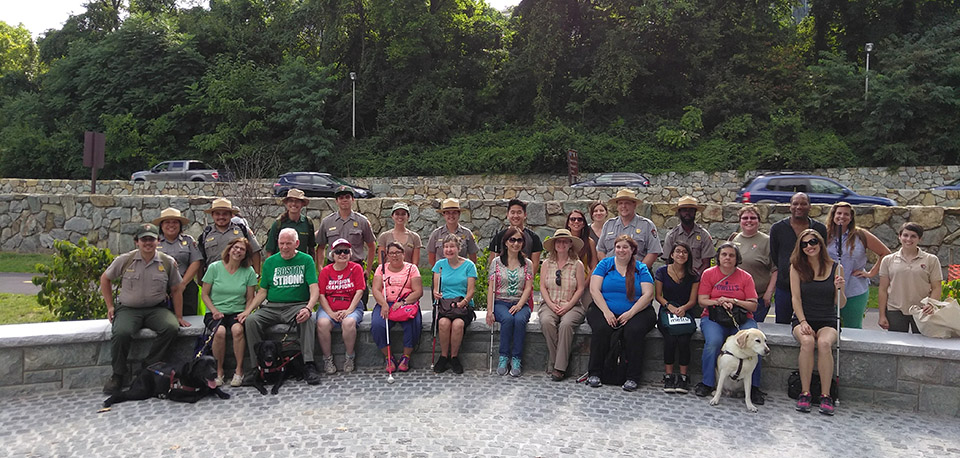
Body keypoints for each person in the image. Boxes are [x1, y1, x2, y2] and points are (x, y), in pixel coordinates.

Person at [99, 223, 188, 394]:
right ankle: (118, 375)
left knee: (170, 328)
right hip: (129, 309)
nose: (148, 243)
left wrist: (178, 316)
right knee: (121, 333)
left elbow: (176, 289)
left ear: (158, 241)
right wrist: (110, 306)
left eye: (152, 239)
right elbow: (105, 279)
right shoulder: (125, 260)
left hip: (157, 309)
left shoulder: (167, 262)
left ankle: (148, 367)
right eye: (144, 239)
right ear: (136, 242)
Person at [241, 228, 322, 385]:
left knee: (307, 320)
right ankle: (256, 367)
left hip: (296, 305)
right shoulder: (270, 262)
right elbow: (263, 291)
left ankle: (308, 364)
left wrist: (308, 307)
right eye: (281, 243)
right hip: (272, 307)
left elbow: (314, 287)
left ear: (297, 244)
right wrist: (248, 311)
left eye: (288, 243)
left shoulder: (306, 260)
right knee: (251, 321)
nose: (284, 247)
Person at [694, 243, 765, 406]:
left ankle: (754, 387)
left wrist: (734, 301)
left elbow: (753, 305)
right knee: (713, 343)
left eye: (731, 255)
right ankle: (707, 382)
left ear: (737, 258)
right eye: (724, 254)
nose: (727, 258)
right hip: (714, 317)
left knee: (755, 344)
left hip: (741, 318)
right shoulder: (709, 274)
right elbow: (702, 301)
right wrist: (719, 301)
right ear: (718, 257)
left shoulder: (745, 277)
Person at [584, 235, 657, 391]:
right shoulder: (605, 264)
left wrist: (630, 313)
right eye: (618, 247)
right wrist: (607, 312)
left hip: (637, 310)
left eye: (625, 247)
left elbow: (648, 294)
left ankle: (632, 376)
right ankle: (595, 372)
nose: (621, 250)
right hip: (604, 307)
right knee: (601, 328)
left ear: (632, 250)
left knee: (634, 331)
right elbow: (594, 289)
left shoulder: (641, 268)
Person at [790, 229, 846, 415]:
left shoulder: (836, 267)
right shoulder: (796, 267)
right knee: (807, 342)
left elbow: (841, 304)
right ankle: (805, 392)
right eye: (804, 244)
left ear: (820, 243)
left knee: (823, 343)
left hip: (827, 318)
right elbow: (796, 299)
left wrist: (841, 289)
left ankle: (825, 394)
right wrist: (803, 321)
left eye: (813, 242)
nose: (809, 246)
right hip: (803, 317)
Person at [200, 237, 258, 387]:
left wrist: (246, 313)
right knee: (219, 332)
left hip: (237, 311)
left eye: (242, 250)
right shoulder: (214, 268)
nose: (238, 251)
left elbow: (250, 297)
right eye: (236, 247)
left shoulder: (249, 271)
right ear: (229, 248)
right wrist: (214, 310)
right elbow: (204, 294)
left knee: (237, 330)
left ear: (246, 254)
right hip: (215, 312)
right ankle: (218, 371)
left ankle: (239, 371)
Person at [824, 202, 891, 329]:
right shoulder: (824, 234)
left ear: (851, 218)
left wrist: (871, 273)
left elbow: (885, 253)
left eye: (846, 214)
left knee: (853, 327)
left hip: (854, 289)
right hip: (828, 288)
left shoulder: (860, 235)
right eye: (839, 213)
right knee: (828, 327)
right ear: (833, 215)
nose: (842, 217)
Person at [769, 192, 827, 323]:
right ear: (790, 206)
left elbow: (822, 253)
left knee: (810, 325)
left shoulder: (819, 229)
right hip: (785, 287)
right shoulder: (778, 228)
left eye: (803, 204)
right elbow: (775, 254)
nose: (799, 207)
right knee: (782, 325)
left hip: (811, 288)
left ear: (810, 206)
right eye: (795, 203)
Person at [486, 226, 535, 377]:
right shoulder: (496, 262)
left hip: (521, 303)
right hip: (501, 301)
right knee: (507, 319)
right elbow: (491, 287)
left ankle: (516, 358)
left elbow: (528, 288)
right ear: (506, 242)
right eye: (512, 240)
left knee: (519, 320)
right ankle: (503, 356)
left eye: (519, 240)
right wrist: (489, 310)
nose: (515, 243)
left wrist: (520, 304)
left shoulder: (527, 263)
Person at [316, 185, 376, 305]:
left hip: (355, 268)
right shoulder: (327, 222)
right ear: (336, 201)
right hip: (333, 269)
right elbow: (321, 247)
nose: (344, 200)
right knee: (332, 304)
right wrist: (321, 268)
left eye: (347, 197)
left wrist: (368, 270)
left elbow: (371, 245)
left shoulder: (362, 221)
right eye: (341, 197)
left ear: (353, 199)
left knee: (359, 303)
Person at [877, 222, 943, 333]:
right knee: (897, 346)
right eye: (905, 235)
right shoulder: (888, 260)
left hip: (921, 310)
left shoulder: (931, 260)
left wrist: (931, 304)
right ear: (899, 237)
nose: (908, 239)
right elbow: (883, 289)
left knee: (922, 345)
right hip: (895, 310)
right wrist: (882, 315)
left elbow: (936, 287)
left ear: (919, 239)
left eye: (913, 236)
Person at [539, 229, 586, 381]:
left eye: (565, 241)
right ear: (554, 244)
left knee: (566, 325)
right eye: (558, 241)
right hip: (550, 303)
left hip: (572, 304)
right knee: (547, 322)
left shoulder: (577, 264)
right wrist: (551, 305)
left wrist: (568, 306)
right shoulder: (547, 263)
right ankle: (562, 361)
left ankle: (558, 368)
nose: (561, 244)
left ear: (570, 244)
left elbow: (580, 288)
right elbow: (542, 287)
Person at [371, 241, 424, 372]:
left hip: (406, 302)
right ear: (387, 255)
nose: (395, 256)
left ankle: (406, 356)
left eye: (398, 252)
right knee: (378, 325)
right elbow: (376, 289)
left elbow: (418, 291)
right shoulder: (381, 268)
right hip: (385, 303)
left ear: (404, 254)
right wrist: (383, 304)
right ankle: (388, 357)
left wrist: (403, 302)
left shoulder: (412, 268)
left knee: (412, 323)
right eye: (391, 253)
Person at [654, 242, 700, 394]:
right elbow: (658, 295)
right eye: (678, 251)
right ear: (672, 255)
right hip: (667, 311)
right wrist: (670, 307)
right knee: (670, 339)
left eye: (684, 252)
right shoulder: (661, 272)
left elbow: (693, 300)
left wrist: (683, 309)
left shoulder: (693, 275)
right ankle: (668, 375)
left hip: (685, 312)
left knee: (684, 340)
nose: (681, 255)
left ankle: (684, 377)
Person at [316, 238, 366, 374]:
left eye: (345, 251)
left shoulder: (356, 268)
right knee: (322, 323)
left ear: (350, 253)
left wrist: (349, 310)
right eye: (338, 252)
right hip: (329, 306)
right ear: (332, 255)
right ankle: (327, 358)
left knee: (349, 323)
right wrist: (331, 313)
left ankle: (350, 356)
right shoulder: (325, 271)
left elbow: (360, 291)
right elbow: (321, 294)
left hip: (351, 305)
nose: (342, 254)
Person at [432, 234, 478, 374]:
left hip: (462, 305)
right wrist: (436, 294)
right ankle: (444, 356)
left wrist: (463, 302)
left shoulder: (469, 266)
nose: (449, 249)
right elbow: (436, 288)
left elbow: (471, 290)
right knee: (444, 324)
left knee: (458, 324)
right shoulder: (439, 266)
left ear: (459, 248)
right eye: (446, 247)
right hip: (445, 305)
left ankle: (454, 357)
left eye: (452, 246)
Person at [730, 206, 777, 323]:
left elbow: (775, 269)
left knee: (753, 331)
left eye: (753, 218)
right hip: (735, 297)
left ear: (759, 221)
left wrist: (769, 293)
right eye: (745, 218)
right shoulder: (734, 239)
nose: (749, 221)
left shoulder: (768, 241)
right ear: (740, 221)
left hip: (758, 298)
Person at [596, 189, 662, 271]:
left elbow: (653, 252)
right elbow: (600, 250)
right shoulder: (609, 225)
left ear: (634, 205)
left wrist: (638, 271)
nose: (623, 206)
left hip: (637, 275)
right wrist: (609, 269)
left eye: (627, 203)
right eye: (620, 203)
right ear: (617, 206)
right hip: (611, 274)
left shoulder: (646, 225)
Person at [153, 208, 203, 316]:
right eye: (167, 222)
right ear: (161, 225)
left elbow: (196, 262)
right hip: (160, 286)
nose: (171, 225)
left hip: (185, 284)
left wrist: (182, 284)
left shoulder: (189, 241)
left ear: (180, 225)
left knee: (189, 320)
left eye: (175, 222)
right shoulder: (154, 242)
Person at [199, 198, 262, 275]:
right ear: (212, 215)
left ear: (231, 215)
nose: (221, 217)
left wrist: (257, 274)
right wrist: (200, 280)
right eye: (217, 214)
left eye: (225, 214)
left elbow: (255, 251)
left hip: (240, 277)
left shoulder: (242, 230)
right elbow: (201, 260)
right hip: (214, 278)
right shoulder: (206, 234)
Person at [487, 199, 544, 279]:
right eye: (512, 212)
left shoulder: (533, 238)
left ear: (525, 215)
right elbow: (493, 262)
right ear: (507, 215)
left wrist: (527, 281)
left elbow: (535, 263)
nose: (516, 216)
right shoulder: (499, 237)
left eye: (519, 212)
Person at [661, 196, 716, 274]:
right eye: (684, 210)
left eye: (691, 210)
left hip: (697, 277)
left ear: (695, 212)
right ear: (679, 212)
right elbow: (668, 261)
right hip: (676, 278)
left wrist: (695, 279)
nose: (687, 213)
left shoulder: (704, 235)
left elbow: (706, 263)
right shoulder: (671, 235)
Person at [426, 198, 479, 267]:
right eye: (448, 213)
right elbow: (431, 258)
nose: (451, 215)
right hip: (442, 273)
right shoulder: (436, 234)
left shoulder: (467, 233)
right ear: (443, 215)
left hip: (461, 274)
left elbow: (473, 258)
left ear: (459, 214)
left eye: (454, 212)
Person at [264, 188, 316, 258]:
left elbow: (311, 248)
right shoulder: (278, 223)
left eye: (297, 201)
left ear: (302, 204)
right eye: (291, 201)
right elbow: (270, 250)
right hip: (281, 265)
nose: (294, 204)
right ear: (286, 203)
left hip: (301, 265)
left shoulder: (308, 223)